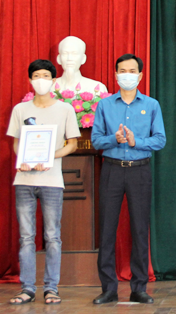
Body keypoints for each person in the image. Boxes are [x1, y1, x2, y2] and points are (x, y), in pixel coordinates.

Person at [91, 54, 166, 305]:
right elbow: (96, 140)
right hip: (111, 169)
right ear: (115, 75)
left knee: (139, 228)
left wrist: (136, 142)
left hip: (139, 170)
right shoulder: (104, 105)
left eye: (132, 70)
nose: (127, 74)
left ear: (140, 75)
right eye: (122, 70)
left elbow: (160, 139)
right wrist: (115, 139)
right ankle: (108, 289)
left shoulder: (152, 104)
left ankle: (139, 287)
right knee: (107, 230)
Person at [7, 59, 80, 305]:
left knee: (52, 236)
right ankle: (27, 288)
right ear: (30, 80)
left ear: (52, 80)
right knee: (26, 237)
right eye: (36, 76)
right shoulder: (20, 109)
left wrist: (49, 156)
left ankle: (51, 288)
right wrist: (24, 159)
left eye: (46, 76)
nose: (41, 80)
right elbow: (17, 142)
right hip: (24, 179)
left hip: (52, 180)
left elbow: (72, 144)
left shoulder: (65, 109)